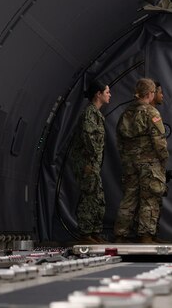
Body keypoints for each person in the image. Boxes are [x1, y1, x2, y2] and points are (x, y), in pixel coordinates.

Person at [114, 78, 169, 244]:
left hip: (130, 163)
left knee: (129, 198)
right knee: (149, 198)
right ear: (151, 94)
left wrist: (127, 159)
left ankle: (120, 235)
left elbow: (119, 140)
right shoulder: (151, 113)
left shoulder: (126, 113)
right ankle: (146, 236)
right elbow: (159, 140)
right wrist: (163, 159)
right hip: (149, 163)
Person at [69, 80, 111, 244]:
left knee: (97, 197)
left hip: (93, 164)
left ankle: (94, 232)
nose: (109, 95)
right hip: (87, 163)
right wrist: (90, 163)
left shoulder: (97, 114)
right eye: (107, 92)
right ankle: (85, 234)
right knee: (89, 197)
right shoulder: (90, 114)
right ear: (98, 94)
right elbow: (89, 139)